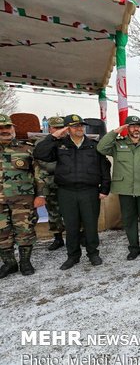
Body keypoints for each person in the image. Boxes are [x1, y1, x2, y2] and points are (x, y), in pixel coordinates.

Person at [34, 114, 111, 270]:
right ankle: (73, 256)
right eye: (75, 126)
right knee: (71, 226)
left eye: (81, 125)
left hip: (89, 191)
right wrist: (54, 136)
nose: (79, 128)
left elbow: (104, 167)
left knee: (90, 225)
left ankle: (93, 253)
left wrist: (104, 189)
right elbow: (39, 154)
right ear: (67, 128)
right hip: (67, 192)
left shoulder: (93, 145)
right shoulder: (59, 145)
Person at [97, 116, 140, 260]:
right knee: (129, 220)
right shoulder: (117, 144)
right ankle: (133, 248)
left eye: (137, 126)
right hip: (125, 188)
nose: (136, 129)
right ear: (126, 128)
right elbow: (101, 148)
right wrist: (115, 132)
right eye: (132, 126)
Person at [0, 114, 47, 278]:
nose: (5, 131)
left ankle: (25, 262)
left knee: (25, 231)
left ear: (13, 129)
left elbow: (38, 174)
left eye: (8, 127)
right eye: (1, 128)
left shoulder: (26, 148)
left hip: (22, 200)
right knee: (1, 233)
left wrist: (40, 195)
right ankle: (9, 263)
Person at [35, 116, 66, 251]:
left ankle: (80, 236)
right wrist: (65, 166)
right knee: (54, 213)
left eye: (62, 127)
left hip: (68, 184)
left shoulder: (69, 141)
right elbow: (44, 164)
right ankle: (58, 238)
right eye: (56, 128)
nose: (60, 131)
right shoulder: (42, 142)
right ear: (50, 128)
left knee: (74, 211)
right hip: (51, 183)